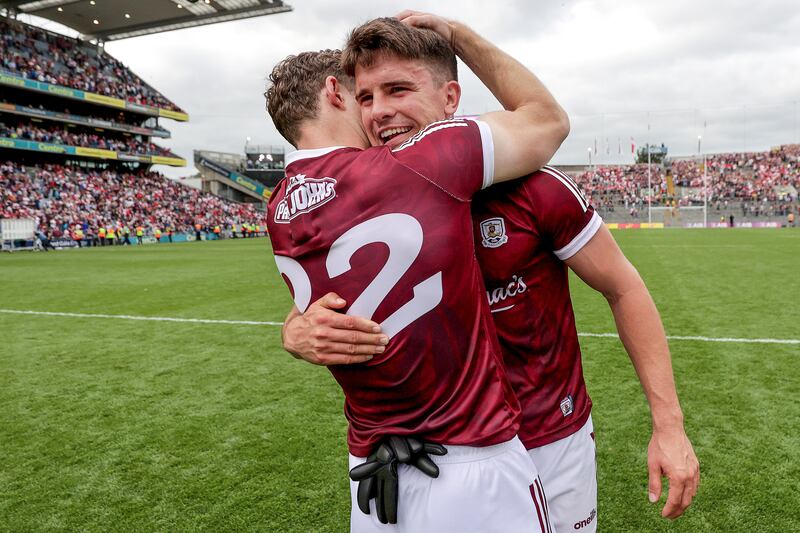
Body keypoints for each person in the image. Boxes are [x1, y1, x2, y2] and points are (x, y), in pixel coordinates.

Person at [282, 11, 699, 531]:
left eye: (398, 90)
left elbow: (623, 288)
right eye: (366, 97)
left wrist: (669, 425)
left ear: (451, 100)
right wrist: (296, 328)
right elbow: (329, 295)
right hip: (431, 455)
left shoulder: (535, 189)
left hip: (547, 436)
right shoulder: (364, 198)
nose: (380, 112)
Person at [265, 14, 568, 532]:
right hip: (473, 462)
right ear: (337, 92)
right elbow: (547, 120)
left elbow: (329, 303)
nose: (377, 111)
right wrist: (457, 35)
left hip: (376, 477)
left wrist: (292, 329)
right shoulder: (417, 161)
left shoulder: (277, 209)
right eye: (364, 96)